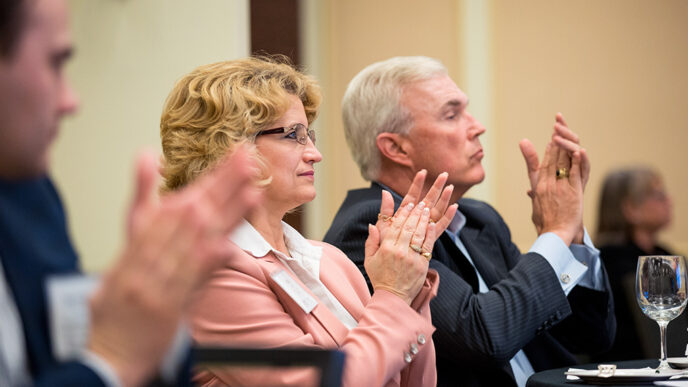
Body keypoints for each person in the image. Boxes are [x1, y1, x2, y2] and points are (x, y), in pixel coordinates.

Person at [0, 0, 259, 385]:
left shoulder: (27, 196)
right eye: (55, 63)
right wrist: (112, 357)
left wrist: (157, 310)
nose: (71, 101)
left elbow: (65, 351)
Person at [158, 57, 457, 387]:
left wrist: (409, 284)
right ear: (230, 148)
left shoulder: (331, 260)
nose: (315, 153)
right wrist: (392, 294)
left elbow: (417, 381)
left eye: (309, 135)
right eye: (293, 135)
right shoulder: (210, 272)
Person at [323, 56, 616, 387]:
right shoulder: (370, 227)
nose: (477, 126)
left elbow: (590, 337)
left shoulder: (480, 219)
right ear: (396, 148)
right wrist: (555, 232)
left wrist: (571, 234)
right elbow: (484, 337)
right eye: (452, 115)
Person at [593, 167, 681, 361]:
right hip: (628, 366)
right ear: (631, 208)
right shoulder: (608, 262)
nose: (669, 201)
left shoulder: (666, 254)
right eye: (659, 195)